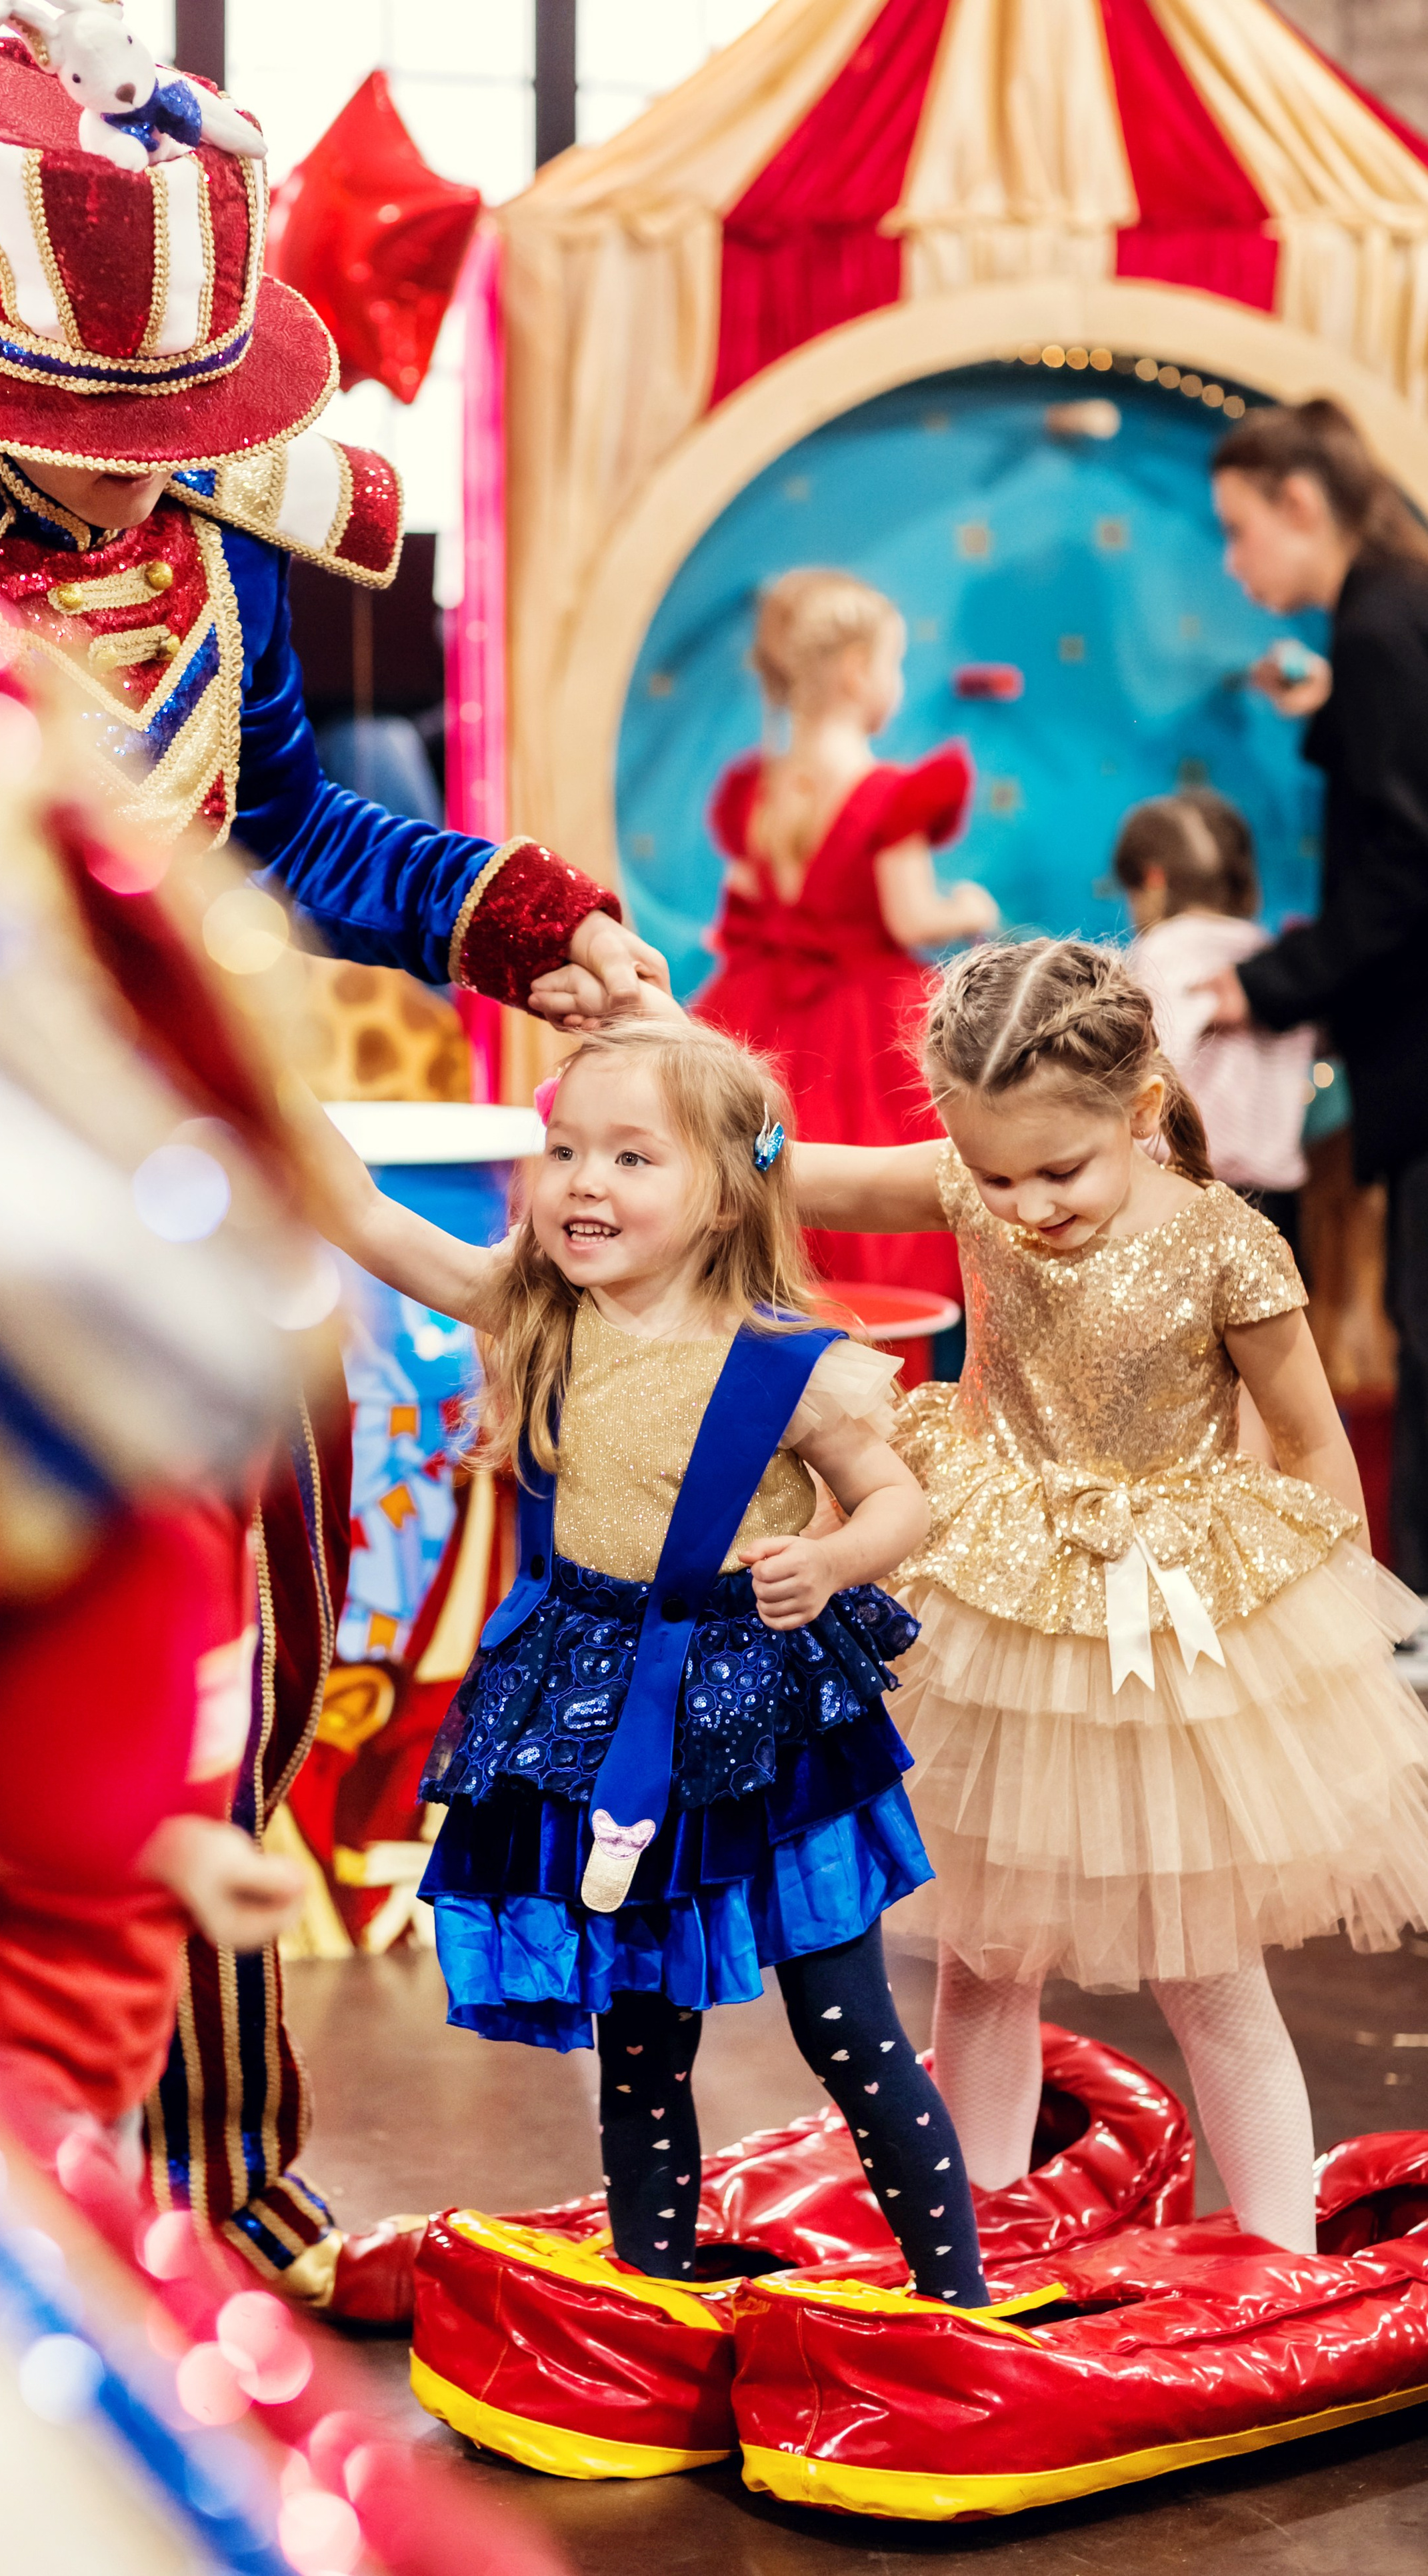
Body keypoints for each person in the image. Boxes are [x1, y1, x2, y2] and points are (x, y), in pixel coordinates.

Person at [0, 20, 668, 2310]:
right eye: (99, 442)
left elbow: (282, 835)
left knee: (223, 1701)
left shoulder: (216, 581)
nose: (139, 484)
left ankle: (219, 2177)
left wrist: (515, 915)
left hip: (187, 1237)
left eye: (175, 440)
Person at [287, 1017, 989, 2305]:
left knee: (846, 2027)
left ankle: (960, 2298)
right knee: (640, 2041)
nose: (583, 1183)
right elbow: (373, 1223)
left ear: (725, 1193)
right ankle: (654, 2296)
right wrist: (249, 1062)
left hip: (760, 1716)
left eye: (629, 1156)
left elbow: (899, 1498)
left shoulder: (798, 1365)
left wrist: (834, 1561)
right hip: (598, 1709)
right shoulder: (537, 1311)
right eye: (563, 1151)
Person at [791, 939, 1428, 2254]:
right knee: (979, 1954)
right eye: (991, 1173)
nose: (1022, 1204)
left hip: (1170, 1621)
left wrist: (1333, 1654)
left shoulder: (1222, 1245)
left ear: (1138, 1112)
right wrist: (672, 1108)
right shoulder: (974, 1192)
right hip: (994, 1603)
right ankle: (972, 2234)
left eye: (1058, 1170)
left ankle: (1279, 2264)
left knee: (1207, 1972)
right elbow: (789, 1170)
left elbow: (1309, 1444)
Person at [1200, 397, 1428, 1595]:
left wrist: (1264, 983)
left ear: (1301, 502)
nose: (1236, 565)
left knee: (1425, 1320)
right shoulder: (1391, 610)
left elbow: (1407, 861)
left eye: (1241, 533)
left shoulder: (1387, 623)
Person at [693, 570, 997, 1298]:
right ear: (859, 672)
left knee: (747, 1177)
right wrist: (970, 910)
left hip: (752, 1015)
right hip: (861, 1028)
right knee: (871, 1209)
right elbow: (910, 918)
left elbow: (733, 917)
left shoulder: (759, 789)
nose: (896, 681)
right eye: (894, 662)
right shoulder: (888, 793)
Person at [1113, 789, 1314, 1254]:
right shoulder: (1271, 958)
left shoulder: (1162, 952)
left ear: (1153, 880)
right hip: (1274, 1194)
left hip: (1184, 1190)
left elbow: (1144, 1071)